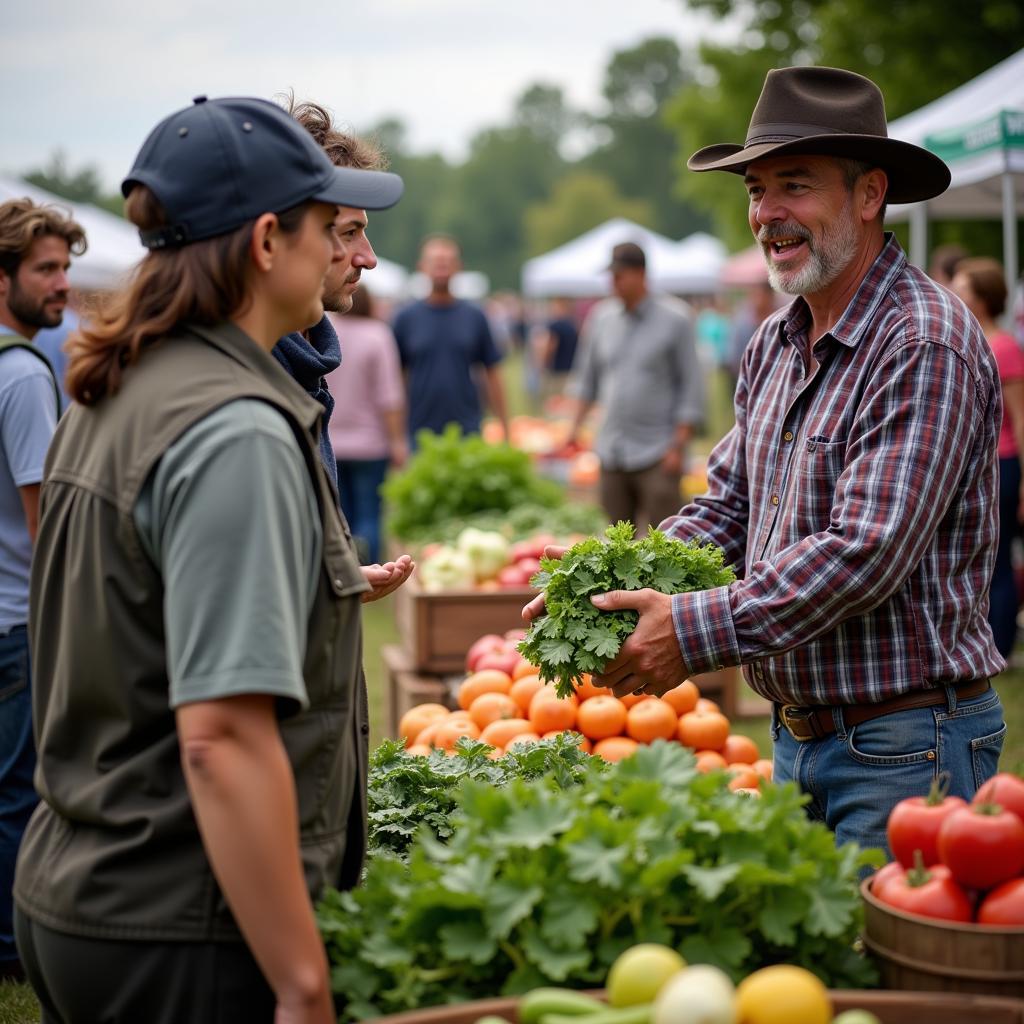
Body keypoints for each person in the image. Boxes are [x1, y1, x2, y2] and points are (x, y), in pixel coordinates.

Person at [525, 66, 1006, 856]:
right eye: (755, 190)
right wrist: (607, 586)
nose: (767, 215)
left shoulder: (922, 340)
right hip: (801, 739)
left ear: (868, 194)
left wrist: (691, 626)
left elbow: (866, 551)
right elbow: (727, 508)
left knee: (879, 975)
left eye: (794, 186)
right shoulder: (777, 342)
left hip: (909, 744)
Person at [13, 95, 408, 1023]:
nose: (347, 254)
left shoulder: (126, 384)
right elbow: (222, 738)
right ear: (268, 240)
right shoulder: (232, 427)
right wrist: (303, 981)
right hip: (179, 918)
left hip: (89, 883)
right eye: (327, 227)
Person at [0, 198, 85, 983]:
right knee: (19, 793)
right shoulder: (25, 375)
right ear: (4, 279)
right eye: (44, 270)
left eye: (65, 267)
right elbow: (43, 523)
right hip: (19, 616)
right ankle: (10, 950)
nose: (63, 284)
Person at [272, 99, 385, 495]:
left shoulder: (298, 366)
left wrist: (338, 562)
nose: (367, 259)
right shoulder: (247, 390)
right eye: (347, 232)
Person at [564, 241, 703, 533]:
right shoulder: (602, 318)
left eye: (619, 275)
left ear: (640, 274)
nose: (612, 283)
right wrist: (572, 432)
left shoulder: (676, 319)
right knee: (615, 545)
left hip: (657, 450)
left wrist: (678, 446)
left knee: (664, 542)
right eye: (611, 276)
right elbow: (586, 380)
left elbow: (691, 387)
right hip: (612, 449)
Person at [952, 258, 1024, 658]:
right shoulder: (968, 338)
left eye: (963, 289)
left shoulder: (1005, 347)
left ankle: (1001, 645)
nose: (956, 294)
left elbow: (1021, 417)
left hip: (1003, 463)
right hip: (977, 463)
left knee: (997, 557)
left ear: (981, 298)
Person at [393, 234, 509, 445]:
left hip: (467, 428)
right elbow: (396, 379)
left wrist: (505, 428)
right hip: (419, 431)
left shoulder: (475, 316)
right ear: (422, 267)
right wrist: (396, 434)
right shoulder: (405, 318)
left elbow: (492, 373)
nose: (441, 267)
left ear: (459, 267)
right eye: (435, 262)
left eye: (447, 262)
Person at [326, 285, 407, 564]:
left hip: (330, 440)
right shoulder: (377, 335)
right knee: (369, 513)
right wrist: (397, 440)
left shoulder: (325, 331)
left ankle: (346, 566)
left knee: (341, 513)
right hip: (370, 443)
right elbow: (390, 395)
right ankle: (369, 567)